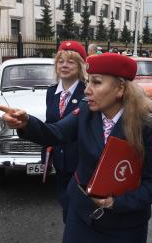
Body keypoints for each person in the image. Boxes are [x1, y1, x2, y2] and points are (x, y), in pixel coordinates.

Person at [0, 53, 152, 243]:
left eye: (97, 82)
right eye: (88, 82)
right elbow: (56, 133)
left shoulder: (148, 126)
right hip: (81, 214)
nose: (87, 90)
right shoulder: (86, 112)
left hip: (125, 224)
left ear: (120, 88)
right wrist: (25, 122)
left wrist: (117, 203)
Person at [43, 40, 86, 223]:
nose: (64, 66)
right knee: (65, 208)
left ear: (80, 66)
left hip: (82, 164)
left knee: (78, 210)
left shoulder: (88, 92)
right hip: (60, 163)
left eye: (70, 62)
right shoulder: (52, 91)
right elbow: (50, 125)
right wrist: (46, 156)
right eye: (61, 61)